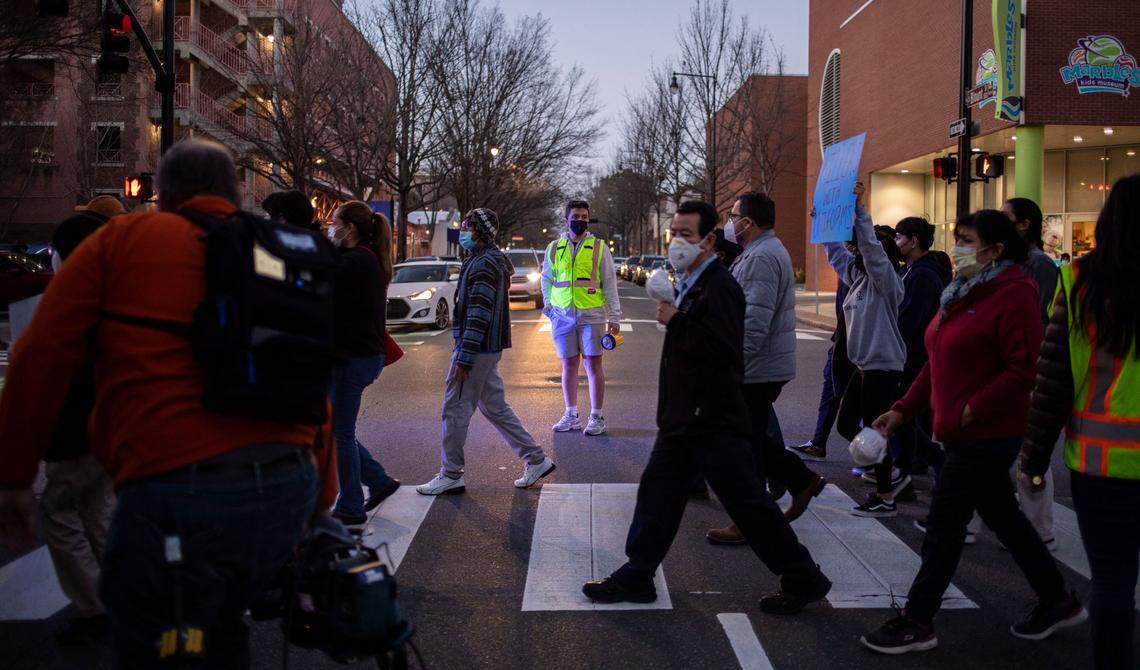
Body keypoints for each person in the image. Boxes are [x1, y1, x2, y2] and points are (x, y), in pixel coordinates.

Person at [0, 138, 339, 667]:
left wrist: (14, 474)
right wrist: (322, 499)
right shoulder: (276, 249)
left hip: (176, 491)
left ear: (162, 194)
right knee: (218, 624)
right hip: (284, 488)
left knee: (161, 636)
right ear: (233, 192)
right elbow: (310, 378)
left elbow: (41, 353)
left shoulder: (123, 241)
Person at [582, 200, 832, 614]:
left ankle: (803, 576)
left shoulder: (720, 287)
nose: (677, 241)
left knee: (748, 505)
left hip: (711, 419)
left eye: (687, 234)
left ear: (710, 240)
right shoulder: (693, 282)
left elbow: (726, 350)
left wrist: (677, 321)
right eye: (674, 233)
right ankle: (639, 573)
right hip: (688, 417)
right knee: (658, 495)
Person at [863, 210, 1084, 655]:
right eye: (957, 237)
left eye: (967, 240)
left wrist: (972, 409)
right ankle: (1056, 598)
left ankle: (918, 619)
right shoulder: (962, 292)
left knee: (944, 525)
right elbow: (938, 360)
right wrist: (903, 410)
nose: (958, 247)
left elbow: (1025, 368)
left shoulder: (1014, 294)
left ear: (995, 250)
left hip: (989, 432)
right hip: (960, 429)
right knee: (1005, 518)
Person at [1020, 174, 1140, 670]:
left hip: (1101, 464)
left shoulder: (1078, 280)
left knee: (1112, 584)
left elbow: (1052, 380)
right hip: (1101, 466)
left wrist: (1034, 456)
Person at [707, 191, 825, 546]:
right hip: (760, 366)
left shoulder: (761, 257)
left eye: (734, 214)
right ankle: (801, 481)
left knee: (742, 445)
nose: (730, 220)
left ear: (750, 221)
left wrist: (733, 365)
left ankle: (750, 518)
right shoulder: (758, 253)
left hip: (757, 367)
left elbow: (754, 320)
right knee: (751, 437)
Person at [417, 208, 555, 495]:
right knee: (495, 407)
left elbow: (479, 313)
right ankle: (536, 458)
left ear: (479, 231)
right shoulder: (487, 261)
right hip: (487, 348)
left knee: (454, 410)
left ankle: (451, 473)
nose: (462, 230)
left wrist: (464, 357)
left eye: (467, 226)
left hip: (476, 350)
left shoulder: (482, 265)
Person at [35, 213, 117, 645]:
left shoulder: (69, 305)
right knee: (98, 509)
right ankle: (117, 593)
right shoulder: (120, 296)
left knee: (59, 512)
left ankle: (93, 606)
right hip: (110, 430)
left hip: (73, 430)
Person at [824, 182, 910, 516]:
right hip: (862, 368)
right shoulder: (857, 280)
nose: (858, 253)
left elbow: (872, 252)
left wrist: (860, 209)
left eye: (863, 251)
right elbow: (837, 256)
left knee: (876, 434)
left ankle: (886, 493)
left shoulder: (888, 284)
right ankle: (883, 462)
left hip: (883, 368)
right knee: (847, 425)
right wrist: (827, 225)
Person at [326, 201, 400, 528]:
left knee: (339, 433)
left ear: (349, 228)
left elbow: (324, 289)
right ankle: (379, 480)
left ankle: (352, 505)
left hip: (352, 357)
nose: (331, 228)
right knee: (339, 430)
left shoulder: (355, 262)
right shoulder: (366, 259)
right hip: (361, 355)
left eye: (334, 223)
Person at [1002, 197, 1059, 550]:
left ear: (1023, 224)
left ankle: (1041, 530)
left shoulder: (1039, 266)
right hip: (1004, 368)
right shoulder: (1010, 263)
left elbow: (1039, 321)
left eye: (1006, 218)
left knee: (1029, 449)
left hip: (1028, 371)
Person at [542, 200, 622, 436]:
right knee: (568, 364)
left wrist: (614, 316)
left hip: (593, 316)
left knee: (593, 364)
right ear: (566, 220)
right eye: (576, 216)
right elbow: (547, 278)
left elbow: (609, 283)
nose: (580, 220)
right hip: (562, 316)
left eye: (584, 216)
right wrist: (548, 303)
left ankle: (596, 416)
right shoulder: (555, 247)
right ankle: (571, 414)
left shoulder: (599, 247)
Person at [891, 217, 949, 479]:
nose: (896, 242)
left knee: (909, 415)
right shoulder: (911, 270)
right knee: (911, 414)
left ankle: (917, 462)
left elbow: (910, 320)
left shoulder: (923, 275)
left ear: (914, 240)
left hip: (914, 356)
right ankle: (912, 461)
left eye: (899, 236)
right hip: (911, 355)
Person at [791, 282, 850, 461]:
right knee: (830, 394)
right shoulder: (850, 271)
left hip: (852, 346)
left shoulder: (862, 273)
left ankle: (882, 458)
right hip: (842, 342)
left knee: (856, 413)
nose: (853, 251)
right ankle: (818, 443)